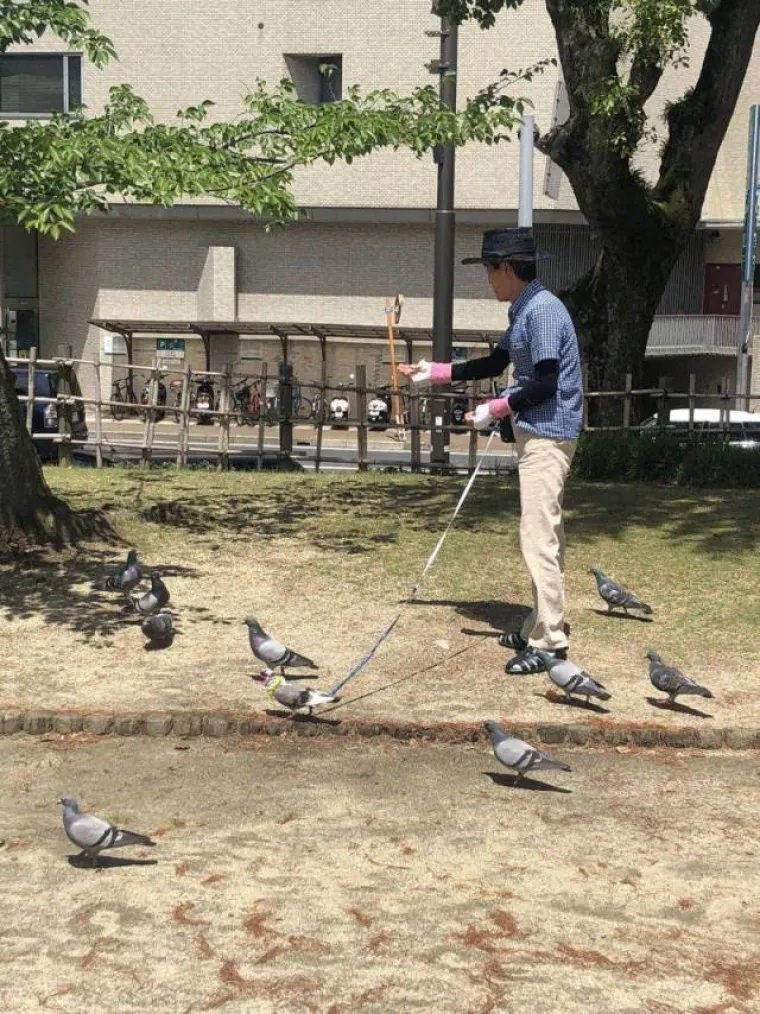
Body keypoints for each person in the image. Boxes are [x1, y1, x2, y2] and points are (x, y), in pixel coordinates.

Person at [399, 227, 583, 675]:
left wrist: (495, 407)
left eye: (488, 270)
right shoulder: (525, 308)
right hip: (536, 430)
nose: (487, 280)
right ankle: (538, 621)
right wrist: (436, 371)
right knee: (545, 535)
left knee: (537, 536)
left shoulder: (540, 312)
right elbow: (496, 363)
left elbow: (544, 382)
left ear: (507, 268)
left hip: (548, 433)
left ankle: (550, 642)